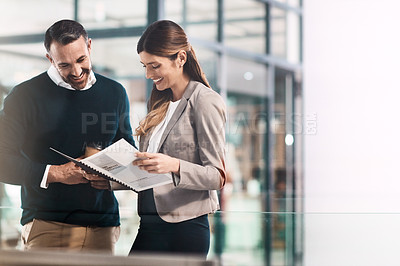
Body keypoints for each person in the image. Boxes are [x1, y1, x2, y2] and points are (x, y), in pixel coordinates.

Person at [0, 19, 135, 253]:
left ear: (89, 46)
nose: (76, 71)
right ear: (50, 59)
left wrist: (111, 175)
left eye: (81, 60)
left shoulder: (115, 93)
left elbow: (127, 150)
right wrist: (56, 173)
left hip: (103, 228)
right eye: (64, 65)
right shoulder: (23, 97)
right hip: (48, 227)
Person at [129, 20, 226, 258]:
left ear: (180, 58)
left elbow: (217, 176)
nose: (148, 74)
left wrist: (174, 165)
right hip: (149, 224)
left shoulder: (204, 101)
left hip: (184, 229)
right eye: (144, 66)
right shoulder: (160, 103)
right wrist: (110, 178)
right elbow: (151, 171)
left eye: (154, 66)